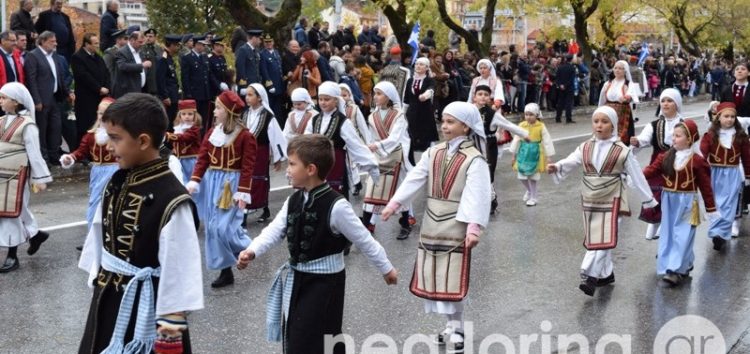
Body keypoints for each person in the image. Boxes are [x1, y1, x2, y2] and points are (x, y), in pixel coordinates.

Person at [237, 134, 398, 354]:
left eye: (292, 164)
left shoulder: (337, 206)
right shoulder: (294, 199)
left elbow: (364, 239)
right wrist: (252, 250)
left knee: (318, 336)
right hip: (299, 278)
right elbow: (275, 230)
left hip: (326, 283)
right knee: (298, 333)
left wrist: (386, 268)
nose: (287, 169)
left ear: (311, 169)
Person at [77, 93, 203, 353]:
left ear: (143, 141)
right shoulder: (117, 181)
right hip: (109, 296)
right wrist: (97, 282)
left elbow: (181, 275)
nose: (109, 147)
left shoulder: (172, 199)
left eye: (115, 139)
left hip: (149, 305)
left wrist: (169, 336)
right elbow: (100, 235)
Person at [381, 101, 491, 354]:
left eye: (451, 122)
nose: (445, 126)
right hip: (432, 222)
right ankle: (452, 326)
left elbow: (478, 194)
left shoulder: (475, 159)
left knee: (451, 278)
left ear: (466, 126)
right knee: (437, 278)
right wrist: (395, 203)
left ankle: (459, 328)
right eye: (443, 121)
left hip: (456, 224)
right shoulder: (434, 152)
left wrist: (474, 227)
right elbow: (416, 177)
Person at [548, 106, 656, 296]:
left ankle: (590, 275)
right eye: (596, 121)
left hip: (614, 197)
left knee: (606, 237)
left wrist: (649, 201)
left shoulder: (622, 151)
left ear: (613, 125)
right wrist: (556, 167)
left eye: (604, 122)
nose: (599, 126)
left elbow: (637, 176)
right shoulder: (585, 146)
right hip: (590, 197)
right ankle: (606, 274)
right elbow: (572, 160)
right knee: (595, 235)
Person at [186, 91, 255, 288]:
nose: (215, 112)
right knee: (213, 227)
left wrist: (243, 191)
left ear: (229, 111)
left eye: (218, 108)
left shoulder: (245, 136)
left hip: (231, 185)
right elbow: (203, 159)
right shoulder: (212, 133)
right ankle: (226, 271)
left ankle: (250, 247)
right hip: (213, 182)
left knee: (224, 228)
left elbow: (248, 166)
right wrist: (195, 180)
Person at [642, 119, 717, 286]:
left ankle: (674, 270)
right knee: (668, 233)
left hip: (688, 202)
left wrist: (711, 208)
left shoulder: (697, 160)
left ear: (689, 139)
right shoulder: (666, 156)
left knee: (682, 234)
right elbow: (651, 170)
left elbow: (706, 186)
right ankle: (684, 263)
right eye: (673, 135)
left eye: (678, 136)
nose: (673, 138)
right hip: (669, 200)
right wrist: (636, 176)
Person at [0, 83, 52, 273]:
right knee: (13, 210)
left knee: (11, 213)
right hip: (2, 174)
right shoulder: (1, 121)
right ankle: (36, 235)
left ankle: (12, 256)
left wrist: (40, 178)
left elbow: (34, 153)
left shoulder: (27, 125)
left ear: (15, 102)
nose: (1, 101)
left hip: (17, 175)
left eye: (3, 98)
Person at [305, 81, 378, 198]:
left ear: (336, 100)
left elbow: (356, 146)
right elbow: (306, 141)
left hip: (336, 165)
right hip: (317, 166)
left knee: (335, 198)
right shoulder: (314, 120)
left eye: (327, 99)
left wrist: (371, 165)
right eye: (320, 99)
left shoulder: (343, 122)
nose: (323, 103)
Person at [630, 88, 685, 240]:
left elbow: (691, 146)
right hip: (658, 162)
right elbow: (644, 139)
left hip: (677, 163)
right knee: (655, 194)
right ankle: (653, 222)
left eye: (669, 101)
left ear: (677, 104)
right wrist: (637, 141)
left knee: (672, 194)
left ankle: (665, 223)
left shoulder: (684, 124)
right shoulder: (654, 125)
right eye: (663, 101)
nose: (665, 104)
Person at [360, 82, 412, 239]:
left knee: (398, 191)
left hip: (395, 156)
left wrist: (376, 145)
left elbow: (396, 138)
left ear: (389, 96)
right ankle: (367, 224)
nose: (375, 96)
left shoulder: (399, 115)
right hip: (378, 156)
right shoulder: (372, 116)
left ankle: (405, 223)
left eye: (379, 93)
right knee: (372, 188)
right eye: (375, 93)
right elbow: (370, 137)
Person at [60, 97, 117, 235]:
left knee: (110, 203)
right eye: (100, 113)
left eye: (105, 113)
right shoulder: (91, 135)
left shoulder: (118, 135)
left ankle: (108, 236)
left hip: (115, 171)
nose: (102, 116)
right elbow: (81, 151)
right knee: (94, 203)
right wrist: (70, 158)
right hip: (97, 172)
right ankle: (92, 235)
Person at [700, 102, 750, 248]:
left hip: (733, 173)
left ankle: (720, 234)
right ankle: (716, 231)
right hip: (715, 173)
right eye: (726, 116)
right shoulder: (710, 135)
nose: (729, 119)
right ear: (718, 117)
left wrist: (748, 175)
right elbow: (702, 155)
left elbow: (747, 157)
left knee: (729, 205)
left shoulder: (741, 136)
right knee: (715, 204)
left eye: (732, 117)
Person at [473, 84, 529, 213]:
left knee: (487, 172)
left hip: (488, 145)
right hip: (473, 144)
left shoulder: (492, 114)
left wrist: (524, 134)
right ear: (474, 97)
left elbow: (508, 125)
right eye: (480, 94)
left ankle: (491, 199)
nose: (483, 97)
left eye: (486, 95)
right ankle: (475, 201)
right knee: (473, 173)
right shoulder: (470, 110)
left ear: (489, 98)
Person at [23, 30, 73, 164]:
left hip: (55, 98)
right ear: (43, 42)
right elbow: (31, 80)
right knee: (42, 129)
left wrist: (67, 92)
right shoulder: (33, 56)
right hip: (42, 100)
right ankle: (43, 158)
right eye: (52, 41)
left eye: (55, 41)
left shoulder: (54, 56)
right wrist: (36, 100)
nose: (55, 44)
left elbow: (60, 77)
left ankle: (54, 155)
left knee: (56, 128)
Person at [241, 84, 287, 223]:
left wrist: (277, 158)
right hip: (245, 153)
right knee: (244, 179)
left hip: (260, 152)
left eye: (251, 95)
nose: (247, 98)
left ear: (260, 98)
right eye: (246, 95)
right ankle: (246, 206)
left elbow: (276, 136)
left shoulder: (267, 116)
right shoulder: (245, 114)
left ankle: (260, 206)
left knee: (259, 179)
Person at [510, 103, 555, 207]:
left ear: (536, 115)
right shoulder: (522, 125)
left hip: (535, 153)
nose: (528, 117)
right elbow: (516, 139)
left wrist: (549, 156)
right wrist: (513, 155)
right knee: (521, 176)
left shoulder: (541, 126)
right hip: (523, 152)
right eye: (526, 114)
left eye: (531, 114)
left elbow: (547, 140)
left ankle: (534, 197)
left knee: (533, 177)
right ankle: (529, 190)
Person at [71, 33, 110, 146]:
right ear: (87, 44)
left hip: (100, 97)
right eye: (95, 43)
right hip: (86, 98)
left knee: (97, 124)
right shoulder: (78, 57)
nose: (98, 45)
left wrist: (107, 86)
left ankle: (96, 149)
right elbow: (83, 76)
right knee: (85, 125)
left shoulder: (98, 57)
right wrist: (99, 88)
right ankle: (83, 151)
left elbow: (106, 73)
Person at [405, 57, 439, 164]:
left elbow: (431, 89)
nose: (418, 66)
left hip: (425, 111)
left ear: (427, 67)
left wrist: (426, 95)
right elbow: (406, 98)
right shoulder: (410, 80)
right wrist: (402, 112)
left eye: (421, 64)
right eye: (417, 64)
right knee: (411, 136)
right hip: (412, 111)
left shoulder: (429, 80)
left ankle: (428, 160)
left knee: (426, 136)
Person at [598, 60, 640, 144]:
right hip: (608, 112)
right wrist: (599, 111)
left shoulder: (628, 84)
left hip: (622, 113)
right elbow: (602, 99)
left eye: (620, 68)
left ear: (625, 71)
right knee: (607, 134)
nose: (617, 70)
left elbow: (632, 96)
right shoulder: (608, 83)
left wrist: (627, 97)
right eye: (615, 68)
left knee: (622, 137)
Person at [165, 99, 202, 185]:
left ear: (195, 115)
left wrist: (168, 136)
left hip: (191, 161)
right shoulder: (178, 128)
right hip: (179, 160)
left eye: (190, 114)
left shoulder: (194, 129)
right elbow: (176, 142)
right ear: (180, 115)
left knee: (189, 181)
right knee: (180, 181)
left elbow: (184, 137)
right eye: (184, 114)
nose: (187, 116)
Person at [112, 31, 151, 98]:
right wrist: (142, 65)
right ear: (132, 40)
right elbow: (122, 66)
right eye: (140, 42)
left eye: (143, 42)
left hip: (140, 90)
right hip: (127, 92)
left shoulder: (140, 51)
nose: (142, 44)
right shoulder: (122, 52)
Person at [156, 34, 182, 128]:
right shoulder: (163, 59)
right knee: (168, 122)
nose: (178, 48)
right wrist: (165, 96)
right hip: (168, 97)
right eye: (177, 45)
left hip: (173, 95)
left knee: (172, 121)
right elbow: (160, 79)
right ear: (171, 45)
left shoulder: (169, 57)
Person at [259, 33, 285, 123]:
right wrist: (269, 85)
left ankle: (279, 125)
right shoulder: (262, 54)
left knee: (279, 109)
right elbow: (264, 71)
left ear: (273, 42)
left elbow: (279, 68)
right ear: (264, 43)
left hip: (279, 84)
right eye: (266, 42)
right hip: (271, 86)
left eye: (270, 42)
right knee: (271, 108)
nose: (268, 44)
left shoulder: (276, 52)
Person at [235, 29, 263, 95]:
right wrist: (243, 86)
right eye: (259, 39)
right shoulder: (243, 50)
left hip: (255, 84)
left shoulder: (255, 51)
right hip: (247, 85)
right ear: (254, 38)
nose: (260, 41)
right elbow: (240, 68)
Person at [139, 28, 162, 95]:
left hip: (156, 79)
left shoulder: (159, 49)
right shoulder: (141, 48)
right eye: (147, 36)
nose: (148, 38)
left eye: (150, 36)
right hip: (145, 81)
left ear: (155, 37)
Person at [554, 54, 576, 124]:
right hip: (569, 88)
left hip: (561, 88)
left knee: (560, 102)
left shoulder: (560, 67)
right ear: (571, 59)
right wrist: (565, 85)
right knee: (568, 103)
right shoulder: (572, 68)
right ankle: (568, 118)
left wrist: (560, 85)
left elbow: (557, 77)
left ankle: (558, 118)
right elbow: (571, 79)